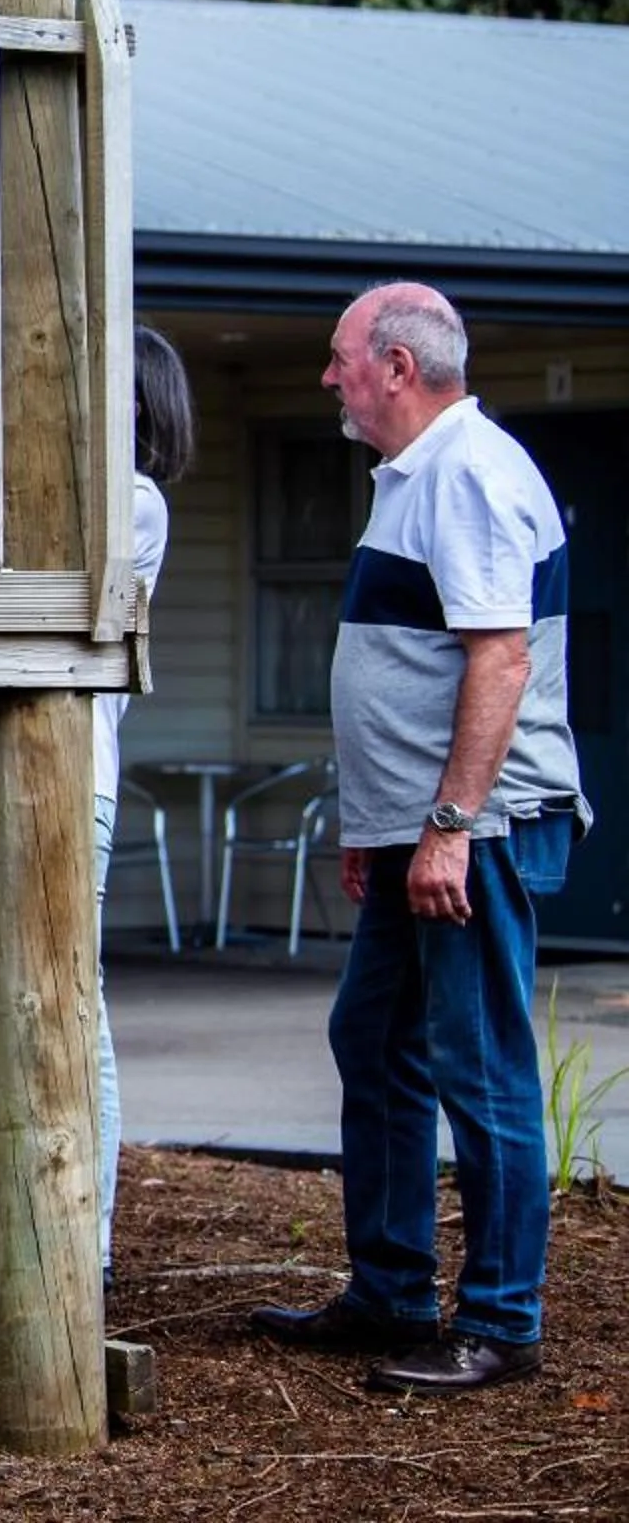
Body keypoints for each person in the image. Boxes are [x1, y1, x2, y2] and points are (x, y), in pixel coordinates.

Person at [247, 283, 586, 1395]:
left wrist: (443, 825)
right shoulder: (411, 478)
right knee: (375, 1040)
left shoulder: (470, 472)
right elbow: (407, 669)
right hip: (418, 832)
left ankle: (501, 1320)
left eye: (343, 358)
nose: (331, 376)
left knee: (479, 1064)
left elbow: (499, 660)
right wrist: (378, 825)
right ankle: (389, 1288)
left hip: (474, 828)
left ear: (397, 364)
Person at [0, 326, 195, 1274]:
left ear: (122, 410)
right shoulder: (49, 492)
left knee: (65, 1016)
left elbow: (0, 578)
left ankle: (76, 1253)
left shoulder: (129, 503)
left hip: (64, 786)